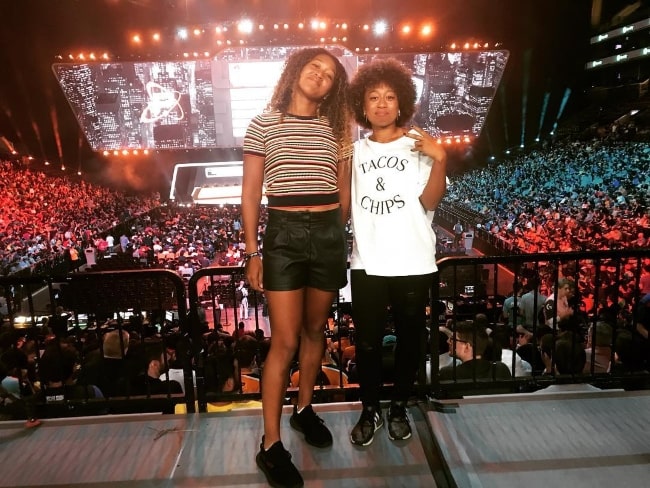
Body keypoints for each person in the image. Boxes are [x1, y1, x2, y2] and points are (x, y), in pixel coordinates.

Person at [241, 47, 352, 488]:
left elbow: (342, 192)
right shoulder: (264, 123)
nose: (321, 77)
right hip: (283, 235)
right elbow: (250, 194)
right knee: (283, 341)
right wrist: (253, 252)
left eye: (329, 75)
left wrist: (331, 233)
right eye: (314, 68)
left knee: (314, 331)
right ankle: (270, 445)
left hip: (326, 231)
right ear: (295, 72)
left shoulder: (337, 126)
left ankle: (303, 409)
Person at [346, 58, 447, 447]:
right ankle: (369, 408)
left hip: (414, 260)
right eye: (374, 97)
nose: (383, 103)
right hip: (367, 263)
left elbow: (429, 201)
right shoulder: (353, 152)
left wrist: (441, 159)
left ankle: (400, 406)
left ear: (402, 102)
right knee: (367, 344)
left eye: (390, 96)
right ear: (363, 105)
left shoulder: (420, 145)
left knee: (410, 341)